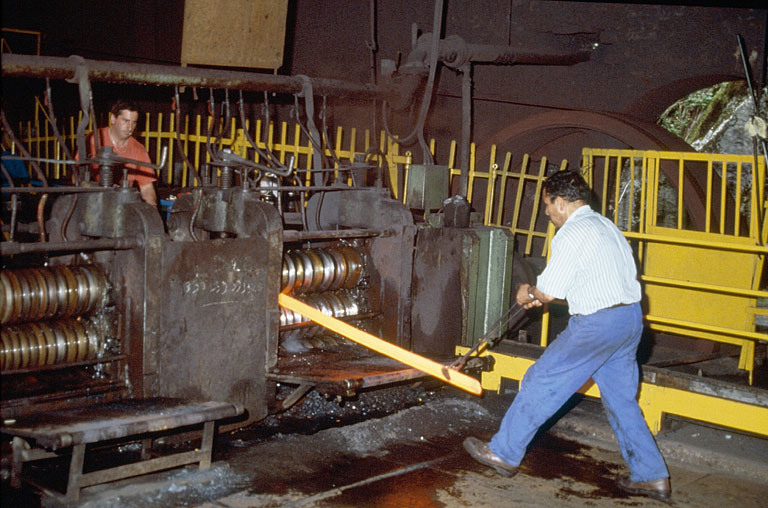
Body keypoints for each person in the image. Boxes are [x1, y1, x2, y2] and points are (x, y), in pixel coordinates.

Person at [463, 170, 671, 502]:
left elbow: (546, 290)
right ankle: (652, 476)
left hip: (597, 325)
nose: (546, 212)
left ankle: (503, 452)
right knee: (621, 401)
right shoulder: (605, 226)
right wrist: (544, 294)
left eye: (547, 204)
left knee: (540, 379)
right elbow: (587, 281)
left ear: (561, 201)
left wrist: (527, 291)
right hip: (629, 320)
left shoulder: (571, 233)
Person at [85, 100, 157, 205]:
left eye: (134, 122)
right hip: (93, 203)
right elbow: (77, 177)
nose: (130, 127)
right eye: (125, 121)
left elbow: (147, 189)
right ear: (113, 119)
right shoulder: (93, 140)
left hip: (123, 206)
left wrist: (153, 215)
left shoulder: (139, 149)